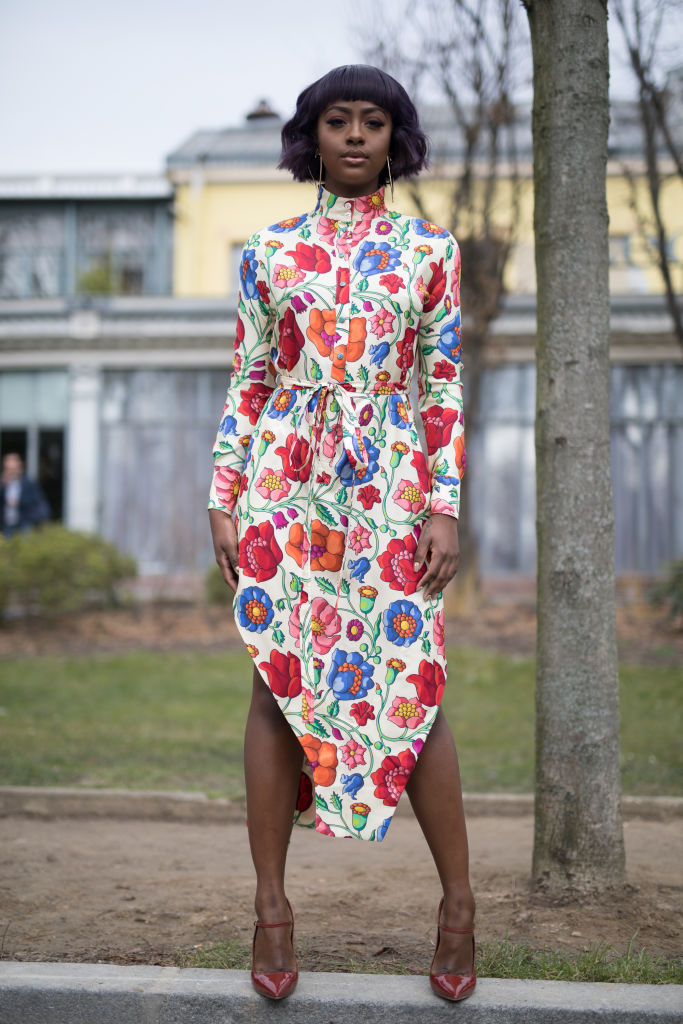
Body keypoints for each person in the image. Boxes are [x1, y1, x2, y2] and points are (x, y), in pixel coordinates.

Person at [208, 65, 474, 1003]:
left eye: (372, 122)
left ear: (394, 137)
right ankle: (272, 907)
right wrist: (223, 492)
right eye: (336, 121)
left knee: (414, 682)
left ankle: (457, 906)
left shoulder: (429, 250)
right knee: (274, 674)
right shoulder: (267, 251)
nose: (354, 136)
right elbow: (248, 379)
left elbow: (439, 388)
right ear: (310, 137)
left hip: (389, 490)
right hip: (286, 487)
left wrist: (443, 504)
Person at [1, 452, 50, 537]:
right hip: (7, 525)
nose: (10, 472)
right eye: (8, 469)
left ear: (19, 467)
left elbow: (35, 502)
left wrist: (18, 502)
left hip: (24, 524)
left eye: (12, 469)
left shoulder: (28, 484)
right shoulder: (4, 485)